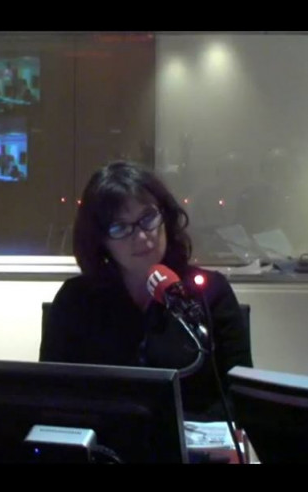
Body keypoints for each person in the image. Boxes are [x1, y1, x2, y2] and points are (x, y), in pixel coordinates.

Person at [40, 161, 252, 421]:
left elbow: (241, 397)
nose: (141, 237)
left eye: (148, 218)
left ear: (166, 216)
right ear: (101, 240)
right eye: (119, 227)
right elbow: (50, 394)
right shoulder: (75, 299)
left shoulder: (211, 292)